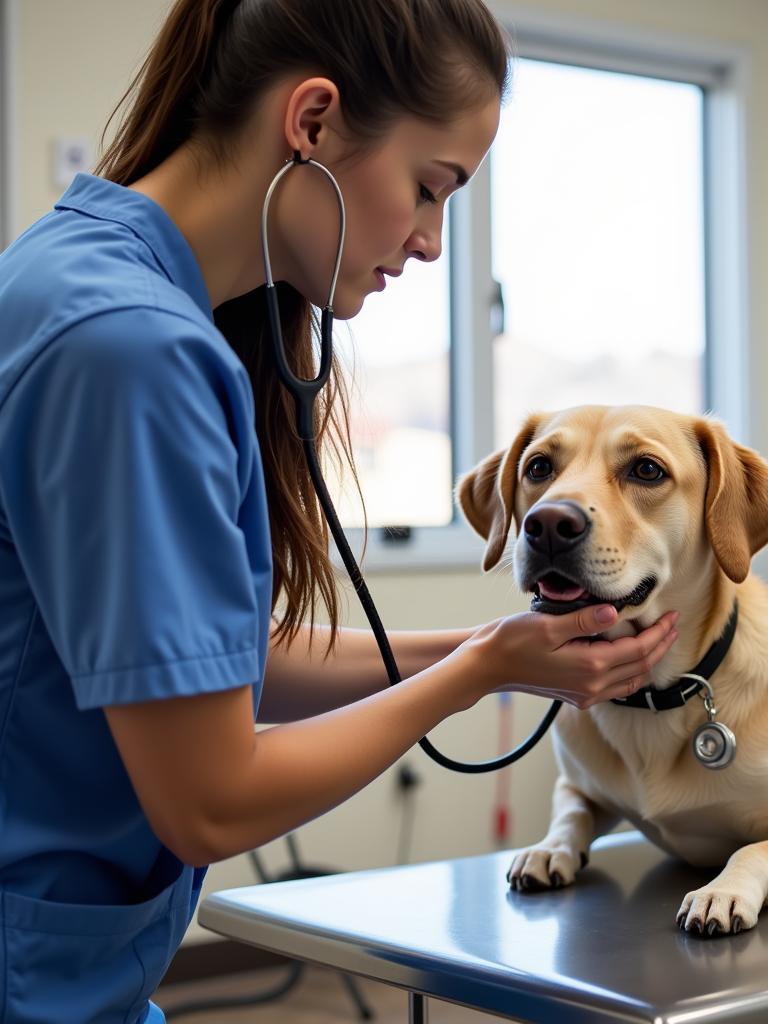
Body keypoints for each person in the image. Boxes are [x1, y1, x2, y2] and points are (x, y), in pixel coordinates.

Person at [0, 0, 680, 1020]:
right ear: (312, 122)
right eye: (428, 187)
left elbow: (207, 665)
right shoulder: (131, 353)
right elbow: (210, 799)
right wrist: (478, 674)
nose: (432, 241)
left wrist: (497, 643)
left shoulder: (92, 278)